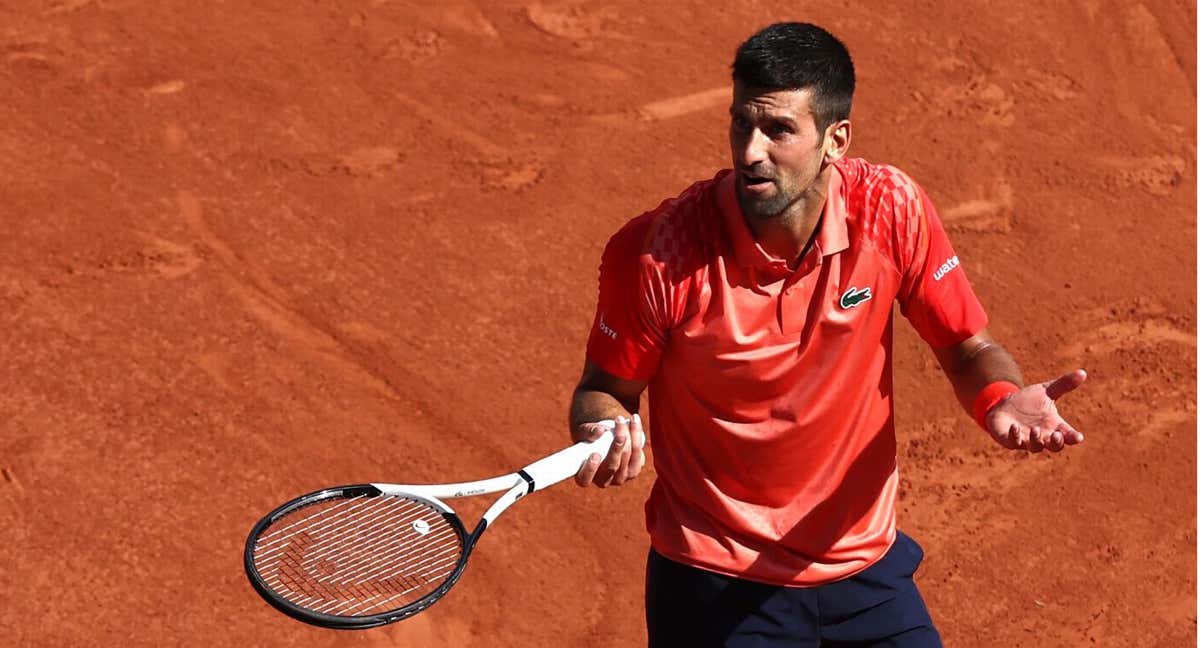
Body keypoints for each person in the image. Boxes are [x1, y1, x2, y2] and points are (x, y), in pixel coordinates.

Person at [567, 21, 1087, 648]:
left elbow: (966, 347)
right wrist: (602, 425)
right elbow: (605, 390)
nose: (750, 151)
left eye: (779, 130)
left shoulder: (891, 210)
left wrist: (999, 396)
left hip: (864, 572)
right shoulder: (657, 254)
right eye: (742, 124)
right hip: (716, 585)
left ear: (835, 139)